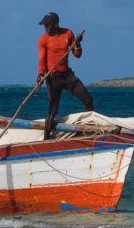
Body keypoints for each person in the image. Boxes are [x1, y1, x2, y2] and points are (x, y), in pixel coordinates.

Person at [37, 12, 94, 140]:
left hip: (68, 76)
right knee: (52, 111)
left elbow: (77, 54)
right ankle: (46, 139)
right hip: (52, 78)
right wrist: (41, 74)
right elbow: (42, 59)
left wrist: (77, 43)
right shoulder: (43, 39)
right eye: (44, 26)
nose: (45, 28)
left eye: (47, 25)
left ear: (56, 24)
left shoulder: (68, 33)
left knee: (88, 101)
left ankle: (88, 131)